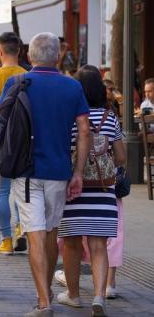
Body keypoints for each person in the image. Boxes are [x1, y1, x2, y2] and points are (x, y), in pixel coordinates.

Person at [0, 32, 90, 317]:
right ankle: (45, 291)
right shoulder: (72, 87)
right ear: (58, 55)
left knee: (34, 235)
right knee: (50, 233)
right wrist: (79, 172)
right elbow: (84, 129)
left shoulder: (17, 82)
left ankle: (43, 301)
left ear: (30, 56)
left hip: (26, 170)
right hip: (59, 171)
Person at [55, 66, 125, 316]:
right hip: (104, 191)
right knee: (99, 245)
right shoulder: (110, 118)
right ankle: (98, 296)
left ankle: (73, 295)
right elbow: (121, 156)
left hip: (74, 189)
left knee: (72, 244)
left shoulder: (70, 117)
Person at [0, 32, 28, 256]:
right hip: (24, 141)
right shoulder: (27, 75)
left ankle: (6, 240)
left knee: (2, 191)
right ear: (20, 51)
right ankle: (21, 227)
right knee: (21, 189)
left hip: (2, 140)